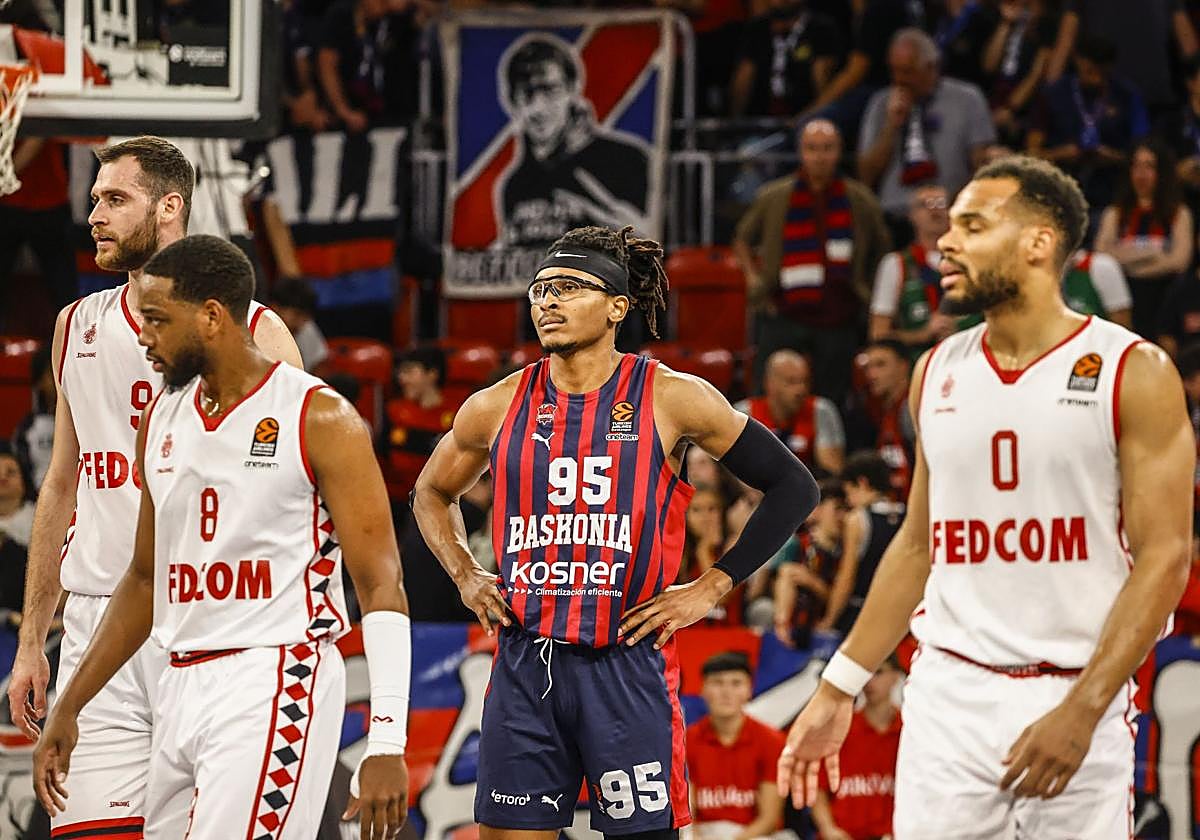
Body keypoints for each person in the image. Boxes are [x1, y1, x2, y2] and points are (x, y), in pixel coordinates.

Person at [778, 155, 1193, 838]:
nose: (946, 240)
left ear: (1038, 242)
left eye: (973, 225)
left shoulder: (1133, 370)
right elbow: (917, 546)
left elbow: (1167, 557)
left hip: (1074, 684)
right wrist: (837, 687)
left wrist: (1085, 709)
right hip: (949, 690)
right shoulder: (934, 370)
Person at [411, 224, 818, 836]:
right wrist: (466, 573)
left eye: (570, 287)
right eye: (541, 289)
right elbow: (429, 492)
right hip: (527, 663)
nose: (547, 300)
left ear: (618, 306)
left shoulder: (672, 397)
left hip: (626, 664)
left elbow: (795, 487)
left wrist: (712, 586)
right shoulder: (494, 405)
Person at [31, 235, 411, 839]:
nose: (144, 337)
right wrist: (72, 703)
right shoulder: (162, 417)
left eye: (157, 320)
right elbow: (144, 578)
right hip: (181, 679)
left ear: (211, 316)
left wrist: (388, 738)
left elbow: (381, 583)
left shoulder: (319, 416)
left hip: (275, 675)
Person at [6, 136, 302, 838]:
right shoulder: (73, 325)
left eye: (115, 200)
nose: (94, 215)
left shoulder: (254, 329)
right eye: (93, 200)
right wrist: (30, 641)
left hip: (207, 629)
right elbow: (60, 487)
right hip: (95, 623)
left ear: (170, 208)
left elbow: (301, 471)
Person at [733, 119, 891, 402]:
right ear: (801, 151)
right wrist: (754, 279)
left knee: (835, 396)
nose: (820, 156)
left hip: (839, 313)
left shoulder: (860, 199)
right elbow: (742, 239)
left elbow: (881, 250)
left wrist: (866, 288)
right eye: (812, 148)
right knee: (768, 392)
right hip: (783, 310)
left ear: (839, 151)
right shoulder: (774, 196)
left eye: (827, 148)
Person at [497, 35, 651, 247]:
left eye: (550, 91)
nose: (537, 108)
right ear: (511, 100)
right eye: (527, 93)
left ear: (573, 90)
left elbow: (652, 248)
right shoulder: (514, 185)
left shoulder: (627, 159)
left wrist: (639, 237)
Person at [857, 28, 997, 237]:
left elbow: (981, 166)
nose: (899, 79)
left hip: (950, 218)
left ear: (932, 67)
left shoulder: (967, 99)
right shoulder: (880, 104)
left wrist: (956, 206)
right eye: (894, 71)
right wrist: (891, 126)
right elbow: (865, 175)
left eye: (907, 71)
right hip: (894, 217)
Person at [1027, 34, 1148, 224]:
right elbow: (1032, 152)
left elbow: (1143, 151)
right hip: (1059, 191)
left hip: (1111, 192)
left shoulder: (1126, 95)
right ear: (1079, 61)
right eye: (1090, 71)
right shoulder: (1054, 94)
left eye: (1102, 72)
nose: (1097, 78)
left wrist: (1112, 157)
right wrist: (1061, 154)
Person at [1094, 139, 1193, 338]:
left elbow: (1179, 261)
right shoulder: (1115, 214)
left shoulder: (1179, 213)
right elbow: (1101, 257)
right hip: (1125, 296)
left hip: (1164, 297)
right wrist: (1153, 253)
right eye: (1136, 166)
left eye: (1149, 166)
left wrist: (1126, 258)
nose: (1141, 174)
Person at [686, 651, 786, 840]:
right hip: (704, 833)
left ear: (749, 689)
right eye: (717, 682)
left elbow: (769, 819)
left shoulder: (772, 741)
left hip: (753, 835)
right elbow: (688, 814)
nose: (726, 692)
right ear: (703, 689)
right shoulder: (686, 741)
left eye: (736, 683)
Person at [869, 183, 968, 357]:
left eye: (940, 203)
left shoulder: (971, 261)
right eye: (925, 204)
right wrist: (922, 334)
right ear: (911, 215)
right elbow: (878, 334)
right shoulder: (895, 264)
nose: (934, 211)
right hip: (916, 365)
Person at [810, 656, 903, 840]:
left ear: (895, 677)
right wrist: (828, 828)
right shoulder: (838, 729)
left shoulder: (911, 732)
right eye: (865, 674)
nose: (870, 681)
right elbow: (817, 788)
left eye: (879, 672)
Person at [818, 451, 904, 635]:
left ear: (862, 483)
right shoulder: (908, 516)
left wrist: (829, 620)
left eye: (848, 492)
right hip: (900, 613)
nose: (848, 500)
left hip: (863, 614)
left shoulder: (857, 519)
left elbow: (846, 578)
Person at [727, 0, 845, 118]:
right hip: (758, 121)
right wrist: (735, 123)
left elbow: (823, 80)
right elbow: (743, 79)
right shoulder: (756, 28)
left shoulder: (821, 28)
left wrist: (808, 120)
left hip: (805, 120)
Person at [735, 349, 845, 474]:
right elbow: (739, 471)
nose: (801, 390)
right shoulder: (745, 413)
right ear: (769, 383)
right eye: (791, 381)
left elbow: (831, 471)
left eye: (805, 381)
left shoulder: (821, 411)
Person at [773, 477, 845, 648]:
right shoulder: (799, 544)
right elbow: (782, 578)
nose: (842, 517)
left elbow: (845, 596)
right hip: (801, 623)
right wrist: (782, 621)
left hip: (836, 625)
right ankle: (782, 628)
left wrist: (813, 583)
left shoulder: (847, 550)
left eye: (845, 510)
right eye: (837, 509)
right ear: (818, 510)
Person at [383, 345, 454, 505]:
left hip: (436, 500)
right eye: (401, 372)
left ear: (432, 374)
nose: (402, 379)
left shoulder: (456, 413)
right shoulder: (394, 410)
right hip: (393, 499)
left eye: (409, 372)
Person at [846, 339, 915, 498]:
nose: (871, 375)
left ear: (904, 366)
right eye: (868, 367)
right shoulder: (881, 413)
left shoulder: (912, 408)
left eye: (880, 365)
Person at [270, 276, 330, 374]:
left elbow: (320, 370)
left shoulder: (307, 329)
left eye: (306, 316)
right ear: (275, 308)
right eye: (297, 314)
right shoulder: (256, 332)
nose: (302, 322)